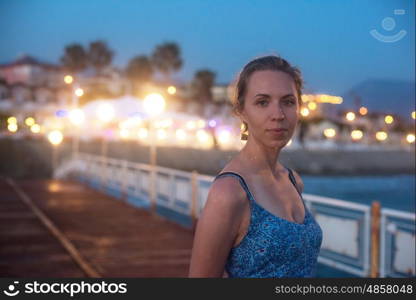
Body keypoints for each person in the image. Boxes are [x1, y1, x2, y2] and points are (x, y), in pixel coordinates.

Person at [188, 55, 323, 278]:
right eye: (262, 102)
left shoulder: (293, 180)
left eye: (288, 102)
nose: (278, 115)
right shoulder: (230, 192)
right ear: (241, 111)